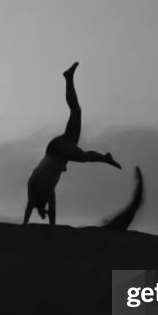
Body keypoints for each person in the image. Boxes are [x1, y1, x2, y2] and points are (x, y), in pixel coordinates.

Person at [23, 62, 120, 226]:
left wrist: (25, 224)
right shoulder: (49, 192)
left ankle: (104, 158)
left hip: (56, 150)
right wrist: (47, 221)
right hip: (59, 149)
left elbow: (31, 206)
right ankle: (68, 78)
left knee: (82, 156)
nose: (47, 205)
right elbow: (51, 212)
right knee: (76, 112)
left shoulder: (35, 187)